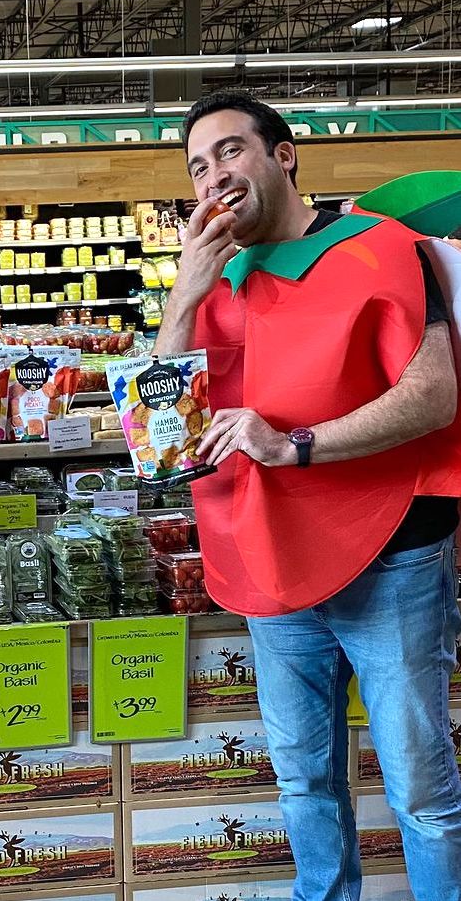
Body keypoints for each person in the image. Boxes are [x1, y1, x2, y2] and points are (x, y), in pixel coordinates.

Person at [155, 89, 461, 900]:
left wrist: (294, 444)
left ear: (282, 155)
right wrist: (184, 292)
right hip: (270, 564)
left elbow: (432, 395)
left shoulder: (383, 247)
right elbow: (159, 429)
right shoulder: (217, 281)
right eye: (197, 167)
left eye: (229, 151)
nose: (213, 176)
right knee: (302, 783)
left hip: (390, 555)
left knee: (423, 795)